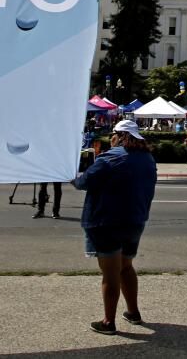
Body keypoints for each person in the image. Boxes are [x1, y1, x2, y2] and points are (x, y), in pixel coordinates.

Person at [72, 118, 157, 335]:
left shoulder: (110, 158)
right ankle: (133, 312)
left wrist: (72, 176)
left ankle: (108, 322)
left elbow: (84, 182)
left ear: (119, 136)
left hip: (106, 222)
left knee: (110, 273)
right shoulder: (148, 159)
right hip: (135, 221)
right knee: (126, 267)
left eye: (113, 134)